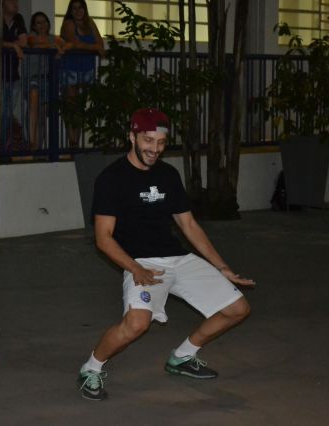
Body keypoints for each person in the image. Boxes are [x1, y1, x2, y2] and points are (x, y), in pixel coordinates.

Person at [77, 108, 255, 401]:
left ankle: (182, 357)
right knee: (136, 324)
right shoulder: (112, 178)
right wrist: (135, 268)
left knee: (237, 309)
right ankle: (91, 369)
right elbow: (103, 238)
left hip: (177, 258)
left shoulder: (168, 174)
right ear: (132, 136)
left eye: (161, 142)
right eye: (148, 140)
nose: (155, 148)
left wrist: (222, 267)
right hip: (141, 261)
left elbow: (189, 225)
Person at [59, 0, 105, 147]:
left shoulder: (90, 23)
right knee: (70, 107)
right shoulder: (69, 23)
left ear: (85, 9)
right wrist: (94, 47)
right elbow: (75, 43)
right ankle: (72, 141)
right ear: (70, 11)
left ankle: (75, 144)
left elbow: (101, 45)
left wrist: (93, 46)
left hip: (87, 70)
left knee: (80, 107)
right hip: (70, 69)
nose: (78, 11)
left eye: (80, 8)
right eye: (74, 8)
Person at [0, 0, 28, 151]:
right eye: (11, 1)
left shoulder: (18, 19)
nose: (15, 3)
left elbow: (24, 42)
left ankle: (2, 147)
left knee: (7, 113)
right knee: (1, 112)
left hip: (13, 75)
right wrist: (13, 45)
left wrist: (5, 43)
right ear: (2, 3)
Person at [26, 11, 65, 151]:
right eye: (38, 22)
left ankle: (38, 147)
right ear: (34, 26)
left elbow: (66, 45)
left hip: (48, 79)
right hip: (34, 78)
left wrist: (59, 49)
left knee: (42, 115)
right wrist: (51, 47)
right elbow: (32, 44)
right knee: (34, 107)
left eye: (44, 22)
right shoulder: (31, 37)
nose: (42, 25)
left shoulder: (53, 38)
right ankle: (32, 143)